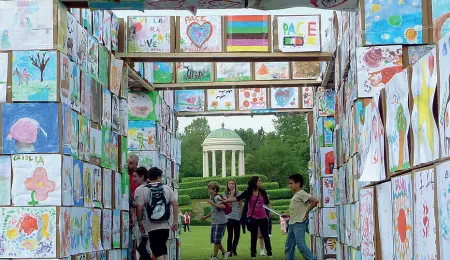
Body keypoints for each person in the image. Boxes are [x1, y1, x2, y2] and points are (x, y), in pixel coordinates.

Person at [135, 167, 179, 260]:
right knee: (163, 249)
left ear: (149, 177)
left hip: (152, 226)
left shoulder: (144, 190)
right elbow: (175, 205)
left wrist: (140, 222)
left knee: (156, 250)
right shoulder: (167, 188)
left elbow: (139, 208)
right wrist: (175, 221)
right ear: (159, 177)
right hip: (165, 226)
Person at [224, 176, 273, 258]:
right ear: (254, 183)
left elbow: (268, 203)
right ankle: (253, 254)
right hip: (253, 218)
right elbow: (237, 198)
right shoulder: (248, 192)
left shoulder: (263, 192)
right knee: (253, 237)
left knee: (265, 236)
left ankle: (269, 253)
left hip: (263, 218)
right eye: (259, 181)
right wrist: (226, 200)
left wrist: (270, 211)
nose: (261, 183)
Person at [282, 174, 318, 260]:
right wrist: (287, 214)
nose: (289, 185)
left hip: (299, 223)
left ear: (298, 183)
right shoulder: (296, 195)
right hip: (292, 223)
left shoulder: (302, 193)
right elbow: (297, 211)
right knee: (289, 246)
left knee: (301, 246)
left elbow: (315, 201)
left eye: (291, 183)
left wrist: (307, 211)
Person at [200, 181, 231, 260]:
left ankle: (214, 256)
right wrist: (205, 217)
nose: (208, 190)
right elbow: (213, 211)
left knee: (217, 240)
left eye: (209, 188)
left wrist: (212, 203)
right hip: (216, 222)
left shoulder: (217, 197)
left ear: (214, 189)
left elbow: (223, 206)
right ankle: (225, 253)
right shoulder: (213, 198)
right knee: (216, 240)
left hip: (220, 222)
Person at [133, 167, 151, 259]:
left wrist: (130, 202)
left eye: (136, 177)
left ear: (142, 176)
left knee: (140, 247)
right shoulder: (150, 188)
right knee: (147, 248)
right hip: (151, 223)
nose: (133, 179)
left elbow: (139, 207)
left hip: (142, 223)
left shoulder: (139, 189)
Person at [223, 179, 242, 256]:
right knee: (230, 234)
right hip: (228, 216)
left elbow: (240, 204)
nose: (231, 185)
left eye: (233, 184)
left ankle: (234, 249)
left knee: (237, 235)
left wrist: (242, 214)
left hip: (237, 216)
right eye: (230, 184)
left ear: (235, 185)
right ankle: (229, 251)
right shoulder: (224, 193)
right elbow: (228, 203)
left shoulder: (239, 193)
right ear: (227, 185)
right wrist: (232, 194)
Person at [128, 153, 139, 260]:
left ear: (136, 164)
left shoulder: (136, 177)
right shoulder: (125, 173)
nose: (128, 165)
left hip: (135, 210)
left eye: (130, 163)